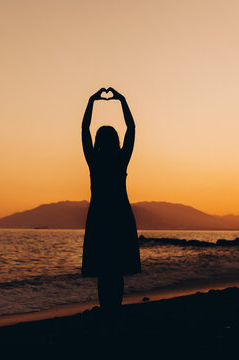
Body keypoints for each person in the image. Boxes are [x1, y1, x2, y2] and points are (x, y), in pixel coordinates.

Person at [81, 87, 141, 312]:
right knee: (116, 268)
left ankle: (107, 308)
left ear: (98, 142)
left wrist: (92, 101)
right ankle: (114, 308)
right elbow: (132, 128)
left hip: (99, 215)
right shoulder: (120, 160)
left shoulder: (94, 161)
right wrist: (122, 100)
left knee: (103, 268)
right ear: (115, 141)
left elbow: (84, 128)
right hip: (120, 214)